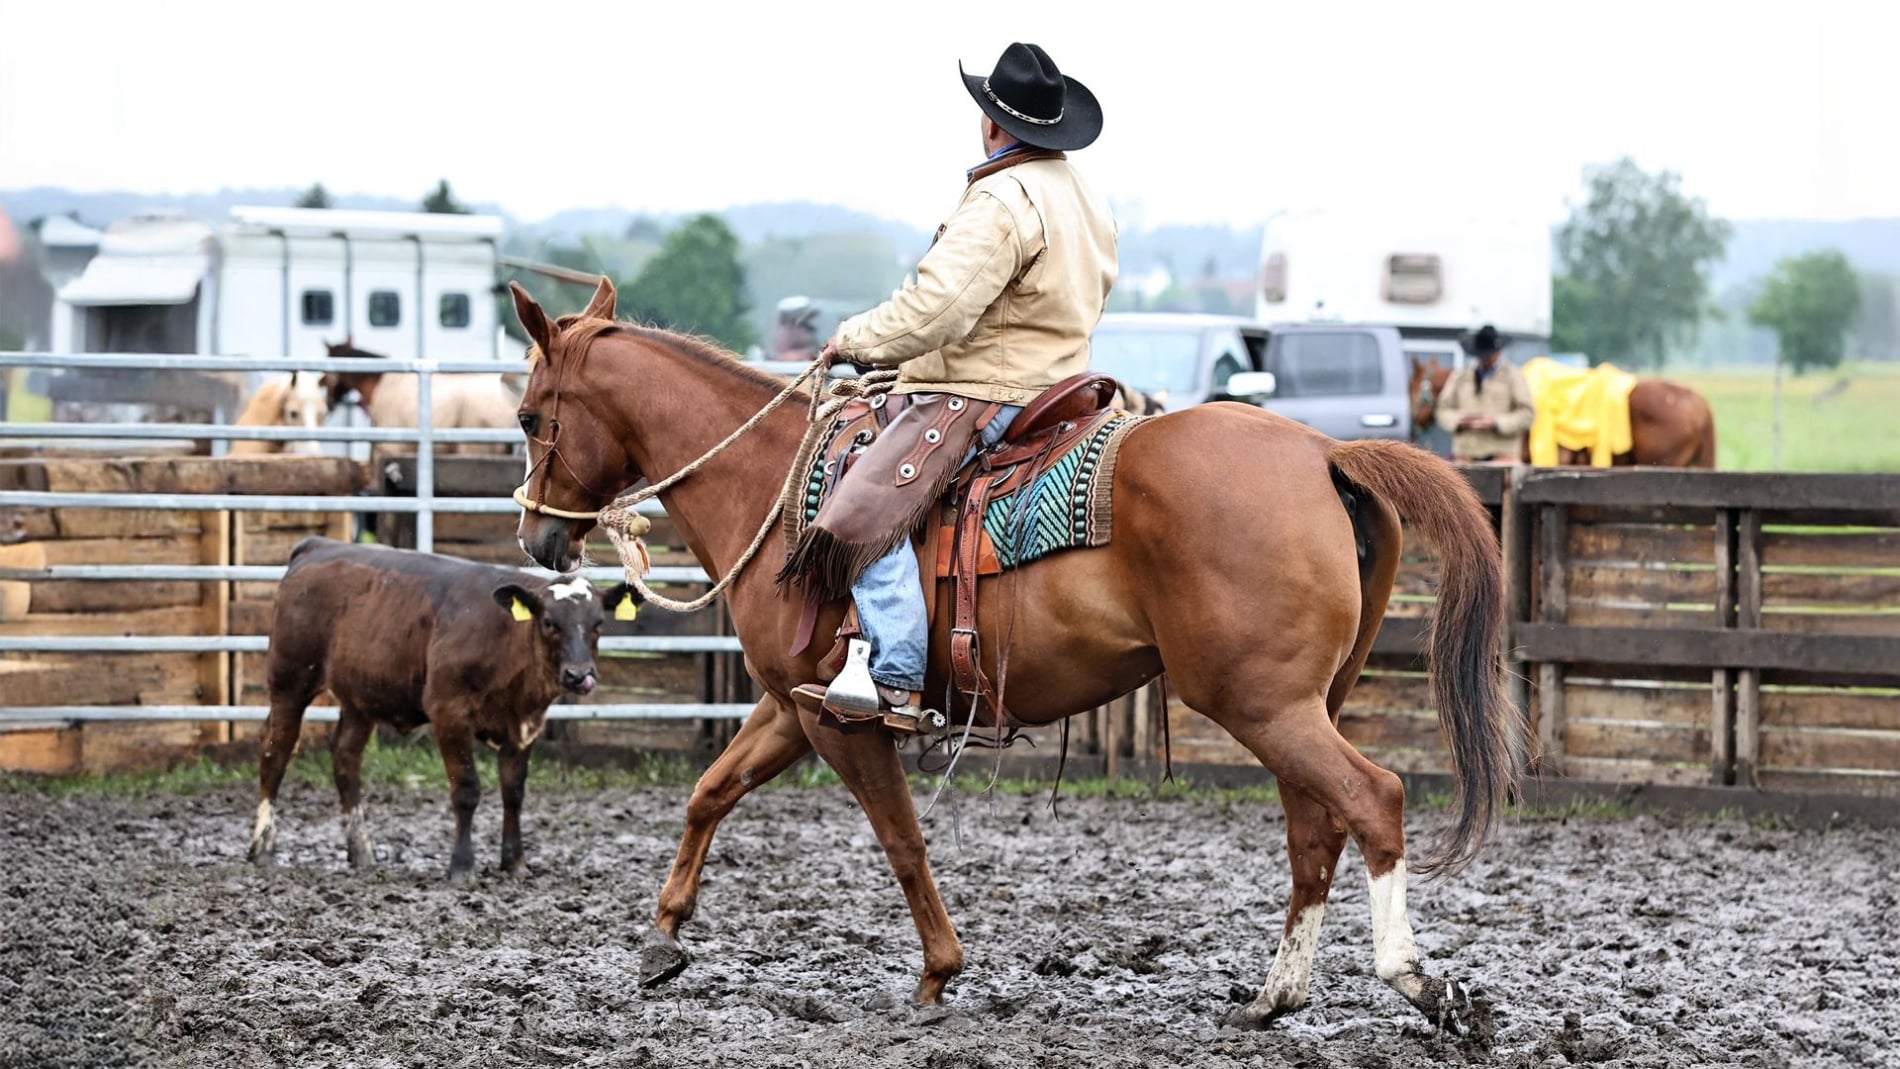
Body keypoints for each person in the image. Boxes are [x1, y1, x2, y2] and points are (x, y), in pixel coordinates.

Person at [780, 41, 1118, 731]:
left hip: (986, 390)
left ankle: (896, 675)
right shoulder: (1083, 194)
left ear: (993, 124)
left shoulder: (1003, 196)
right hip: (1061, 382)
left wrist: (854, 340)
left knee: (864, 496)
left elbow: (939, 308)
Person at [1434, 324, 1535, 463]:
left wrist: (1497, 423)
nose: (1484, 359)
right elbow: (1442, 410)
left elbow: (1527, 414)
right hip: (1464, 458)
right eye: (1481, 354)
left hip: (1503, 457)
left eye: (1488, 354)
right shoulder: (1461, 376)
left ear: (1498, 352)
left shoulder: (1513, 377)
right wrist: (1459, 420)